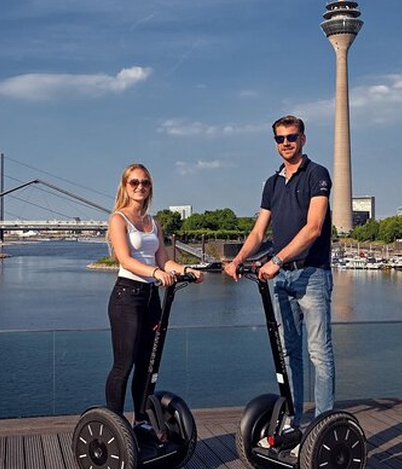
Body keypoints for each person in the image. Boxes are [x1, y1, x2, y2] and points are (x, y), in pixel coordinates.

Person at [224, 115, 335, 424]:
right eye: (280, 138)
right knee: (288, 352)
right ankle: (293, 419)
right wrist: (238, 259)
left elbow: (314, 228)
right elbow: (259, 231)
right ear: (275, 143)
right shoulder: (272, 183)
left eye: (291, 137)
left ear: (303, 139)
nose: (286, 143)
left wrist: (276, 260)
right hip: (282, 278)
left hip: (311, 274)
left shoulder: (317, 174)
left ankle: (324, 423)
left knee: (319, 353)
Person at [104, 163, 203, 423]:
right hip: (127, 297)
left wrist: (187, 269)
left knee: (147, 365)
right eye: (134, 182)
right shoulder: (119, 219)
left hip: (151, 298)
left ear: (150, 188)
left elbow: (164, 261)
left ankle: (141, 421)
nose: (140, 187)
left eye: (145, 182)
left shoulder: (153, 223)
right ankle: (115, 425)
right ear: (125, 186)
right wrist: (156, 273)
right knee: (124, 365)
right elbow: (125, 259)